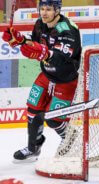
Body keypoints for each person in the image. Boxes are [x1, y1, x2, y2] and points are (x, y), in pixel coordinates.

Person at [2, 0, 82, 162]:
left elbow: (61, 57)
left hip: (65, 79)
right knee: (32, 110)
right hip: (46, 75)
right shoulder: (40, 24)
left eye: (49, 9)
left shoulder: (67, 29)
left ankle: (70, 138)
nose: (44, 13)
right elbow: (36, 44)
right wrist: (19, 40)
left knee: (53, 119)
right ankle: (33, 148)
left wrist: (43, 53)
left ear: (57, 10)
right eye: (42, 9)